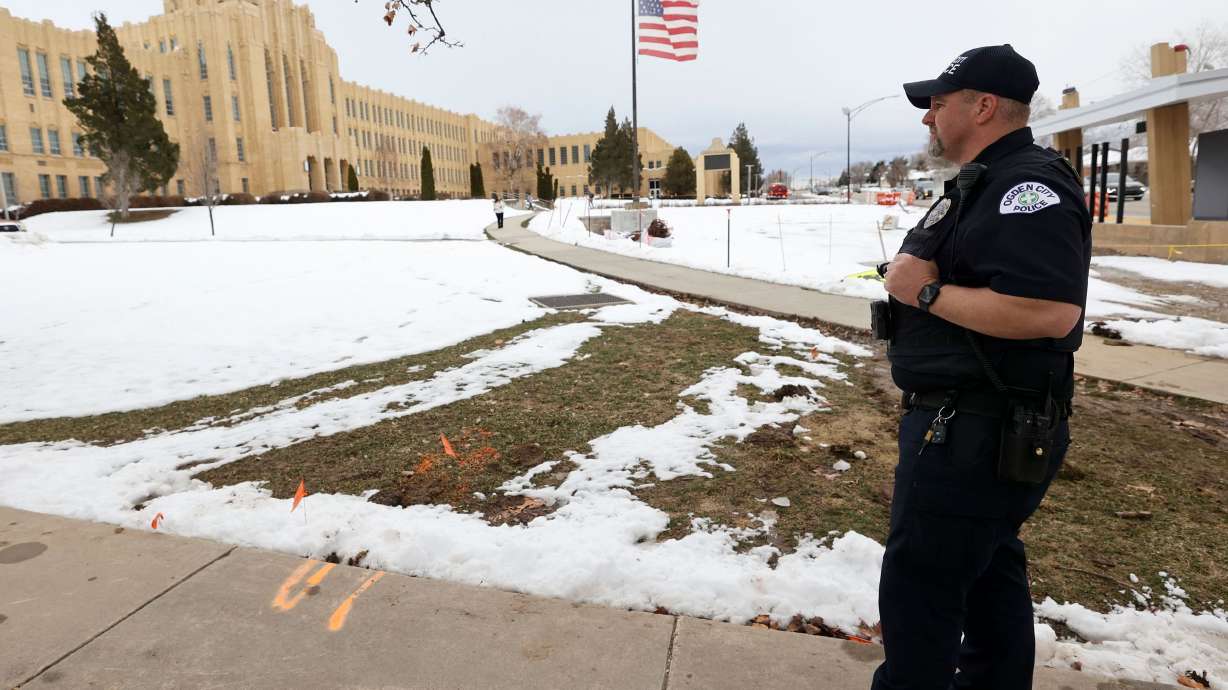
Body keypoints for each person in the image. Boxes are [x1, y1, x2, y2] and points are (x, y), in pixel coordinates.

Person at [872, 45, 1091, 690]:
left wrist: (924, 293)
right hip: (971, 425)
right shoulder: (985, 182)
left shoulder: (1027, 187)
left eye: (937, 105)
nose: (926, 120)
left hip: (977, 429)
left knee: (921, 591)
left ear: (985, 106)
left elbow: (1050, 311)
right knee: (988, 572)